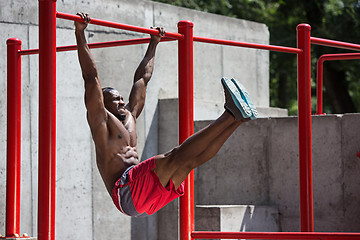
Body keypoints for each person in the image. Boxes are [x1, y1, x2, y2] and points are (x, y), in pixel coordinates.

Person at [75, 12, 257, 217]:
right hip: (126, 192)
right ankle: (229, 114)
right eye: (114, 99)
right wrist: (80, 33)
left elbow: (142, 79)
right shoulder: (101, 122)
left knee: (189, 162)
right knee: (175, 155)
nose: (121, 101)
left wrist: (154, 43)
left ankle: (236, 120)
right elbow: (90, 77)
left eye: (121, 97)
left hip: (143, 194)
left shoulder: (130, 116)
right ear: (102, 103)